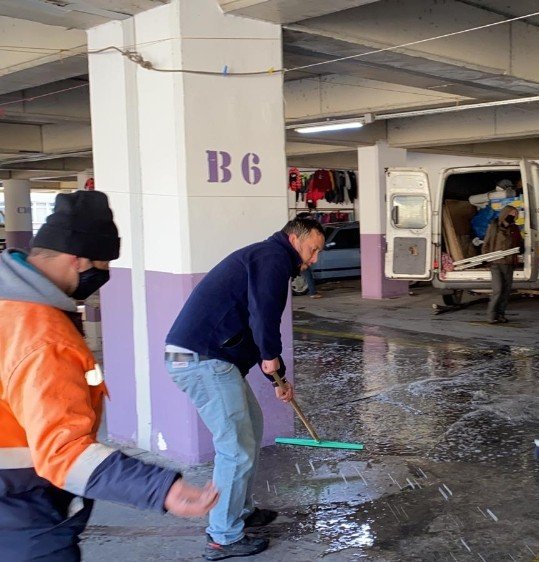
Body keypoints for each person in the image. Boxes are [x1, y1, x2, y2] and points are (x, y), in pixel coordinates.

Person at [0, 191, 217, 561]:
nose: (106, 273)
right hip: (18, 506)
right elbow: (64, 453)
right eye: (102, 262)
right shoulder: (43, 337)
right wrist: (160, 489)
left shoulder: (11, 306)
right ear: (76, 259)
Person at [165, 217, 325, 559]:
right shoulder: (272, 258)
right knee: (235, 446)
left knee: (250, 428)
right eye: (313, 250)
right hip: (201, 358)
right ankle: (222, 536)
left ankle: (239, 510)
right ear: (295, 239)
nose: (314, 260)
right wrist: (271, 358)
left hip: (201, 357)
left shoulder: (267, 258)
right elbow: (263, 317)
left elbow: (255, 325)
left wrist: (274, 376)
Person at [482, 205, 523, 324]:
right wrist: (486, 258)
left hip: (509, 264)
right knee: (498, 289)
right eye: (512, 214)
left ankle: (500, 314)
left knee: (506, 291)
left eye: (515, 214)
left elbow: (519, 243)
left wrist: (521, 249)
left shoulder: (514, 228)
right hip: (495, 263)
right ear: (505, 213)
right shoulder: (494, 226)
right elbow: (486, 243)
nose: (514, 216)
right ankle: (491, 315)